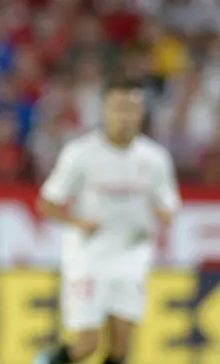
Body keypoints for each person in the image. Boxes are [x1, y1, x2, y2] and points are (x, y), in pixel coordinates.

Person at [32, 79, 181, 364]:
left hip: (132, 256)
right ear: (105, 110)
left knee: (121, 346)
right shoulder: (81, 153)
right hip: (89, 257)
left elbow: (168, 204)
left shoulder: (155, 158)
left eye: (131, 109)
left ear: (141, 113)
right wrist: (77, 221)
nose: (125, 116)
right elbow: (47, 204)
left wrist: (164, 215)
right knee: (87, 344)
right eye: (118, 108)